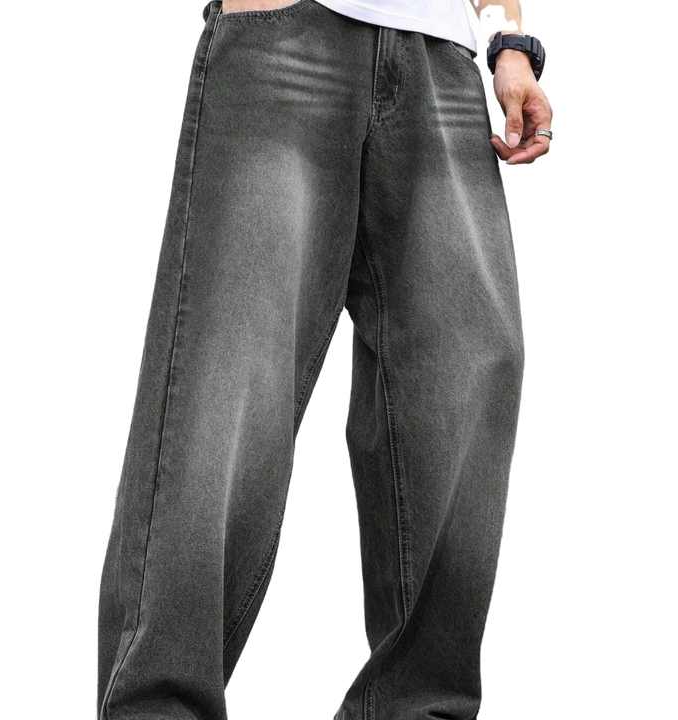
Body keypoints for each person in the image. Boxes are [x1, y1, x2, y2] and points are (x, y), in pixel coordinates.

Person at [97, 0, 553, 718]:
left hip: (442, 61)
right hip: (288, 35)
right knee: (225, 386)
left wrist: (509, 45)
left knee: (468, 379)